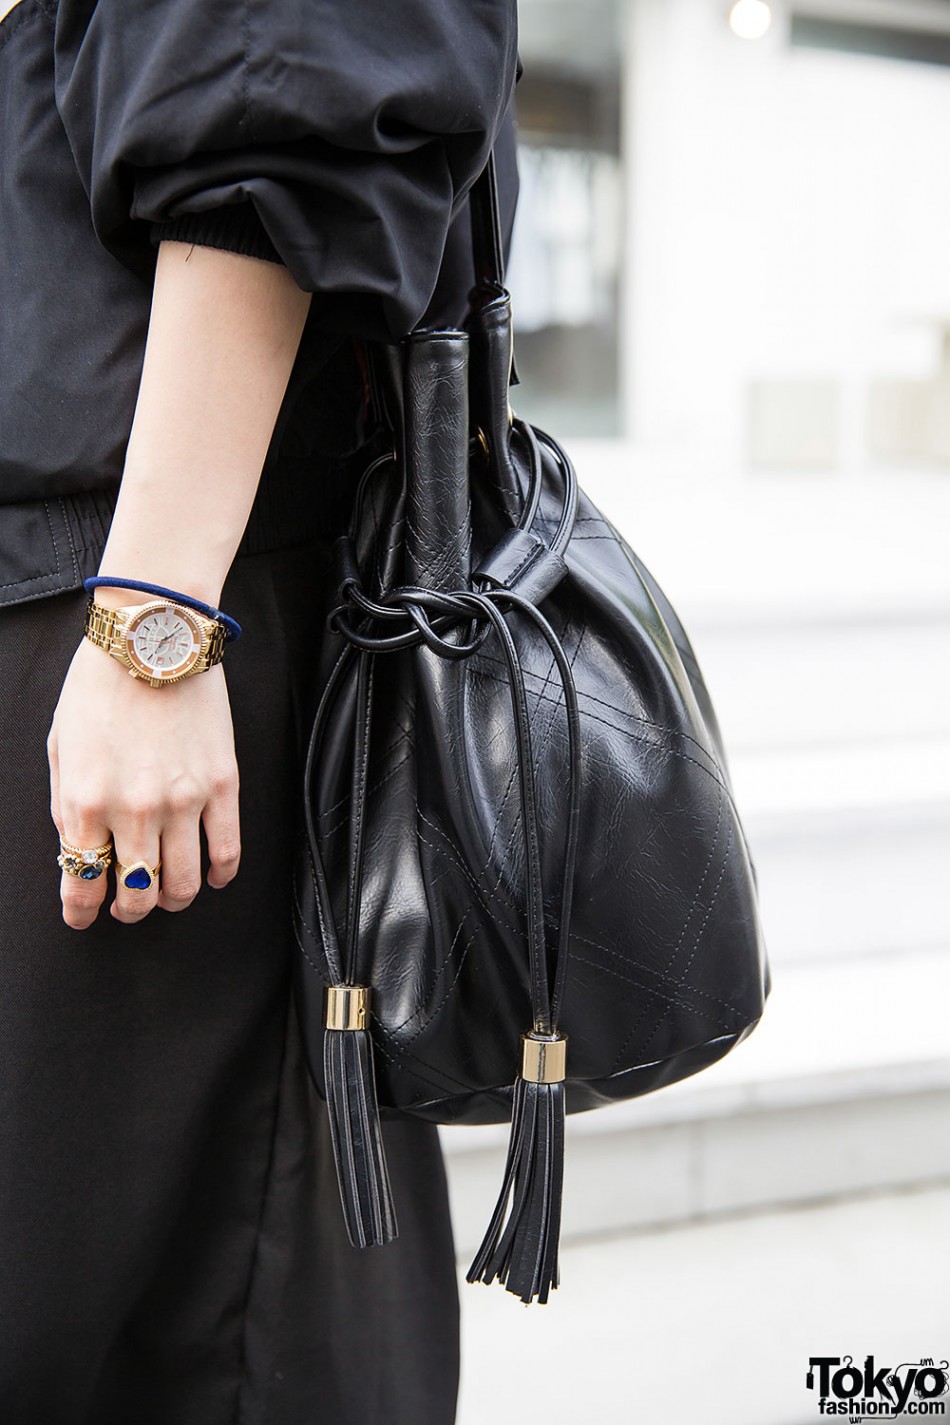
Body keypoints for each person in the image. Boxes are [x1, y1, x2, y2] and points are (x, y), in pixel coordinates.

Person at [0, 1, 518, 1420]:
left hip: (140, 600)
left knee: (207, 1320)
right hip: (103, 586)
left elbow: (278, 84)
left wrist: (150, 626)